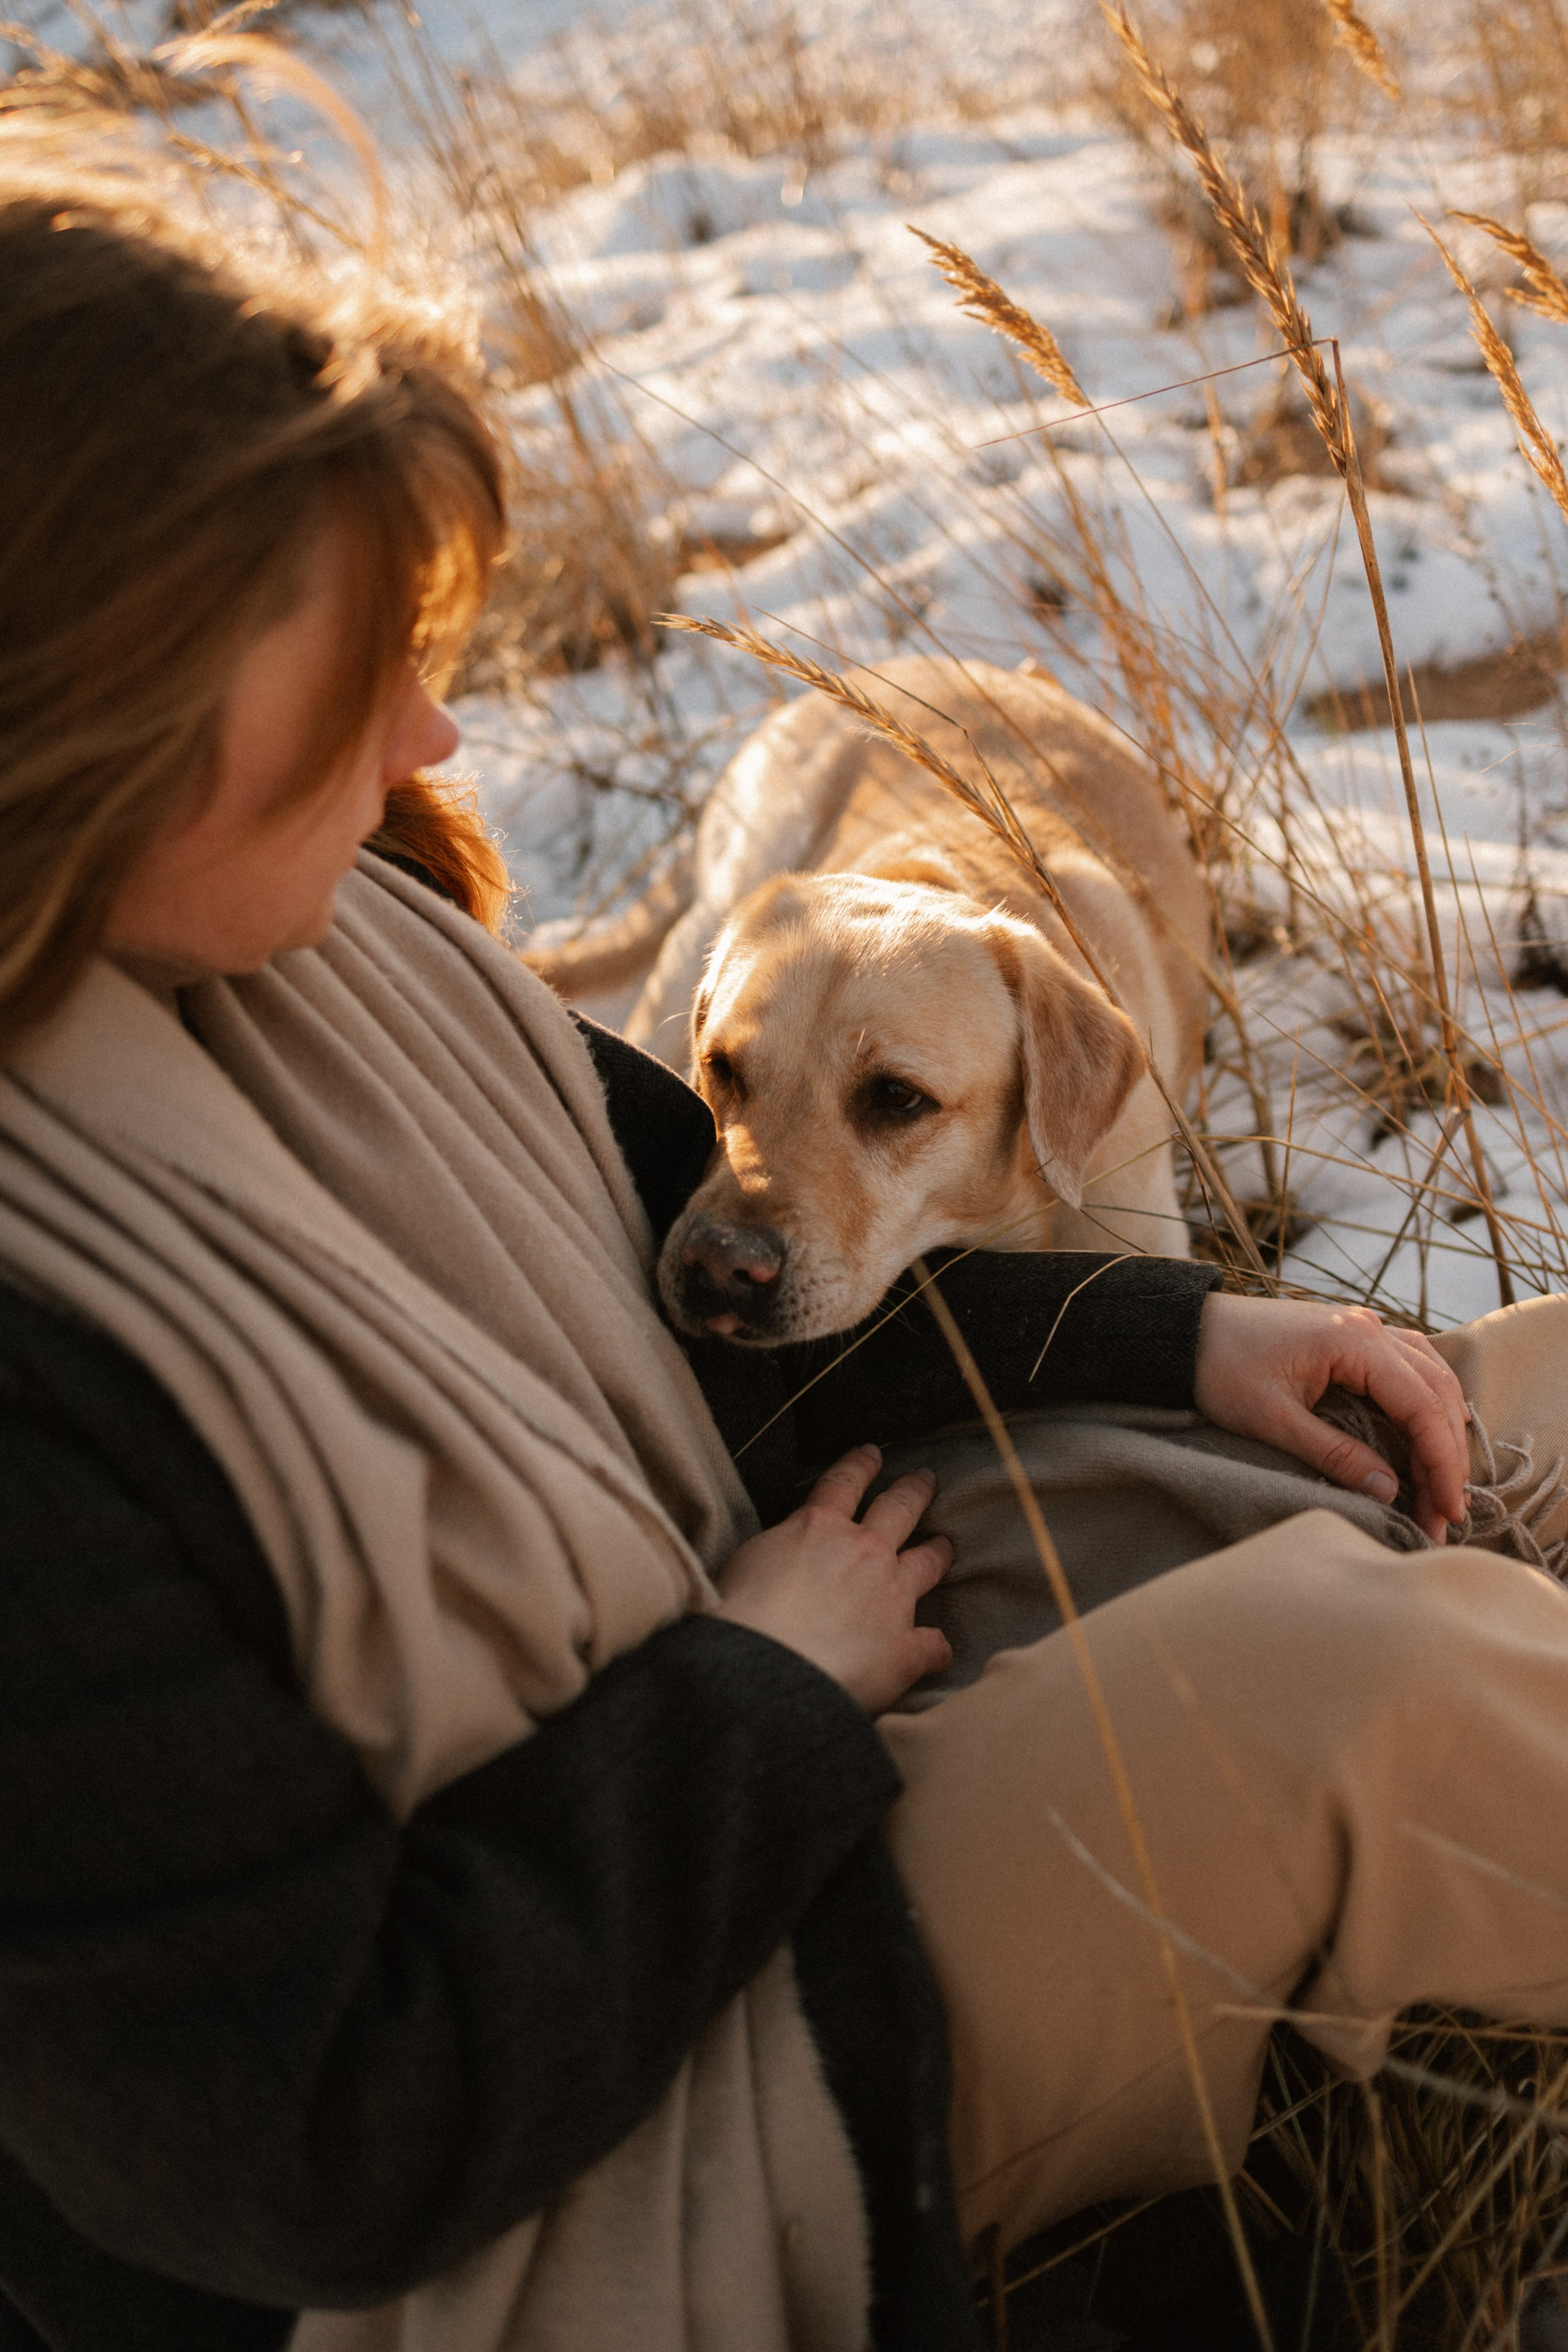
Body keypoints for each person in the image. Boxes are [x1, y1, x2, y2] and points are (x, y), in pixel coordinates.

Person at [4, 115, 1568, 2352]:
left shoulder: (323, 945)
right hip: (633, 2128)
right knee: (1377, 1689)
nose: (440, 730)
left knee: (1525, 1387)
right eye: (351, 673)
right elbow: (312, 2152)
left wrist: (1179, 1334)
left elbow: (706, 1263)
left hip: (761, 1635)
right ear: (83, 715)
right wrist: (752, 1691)